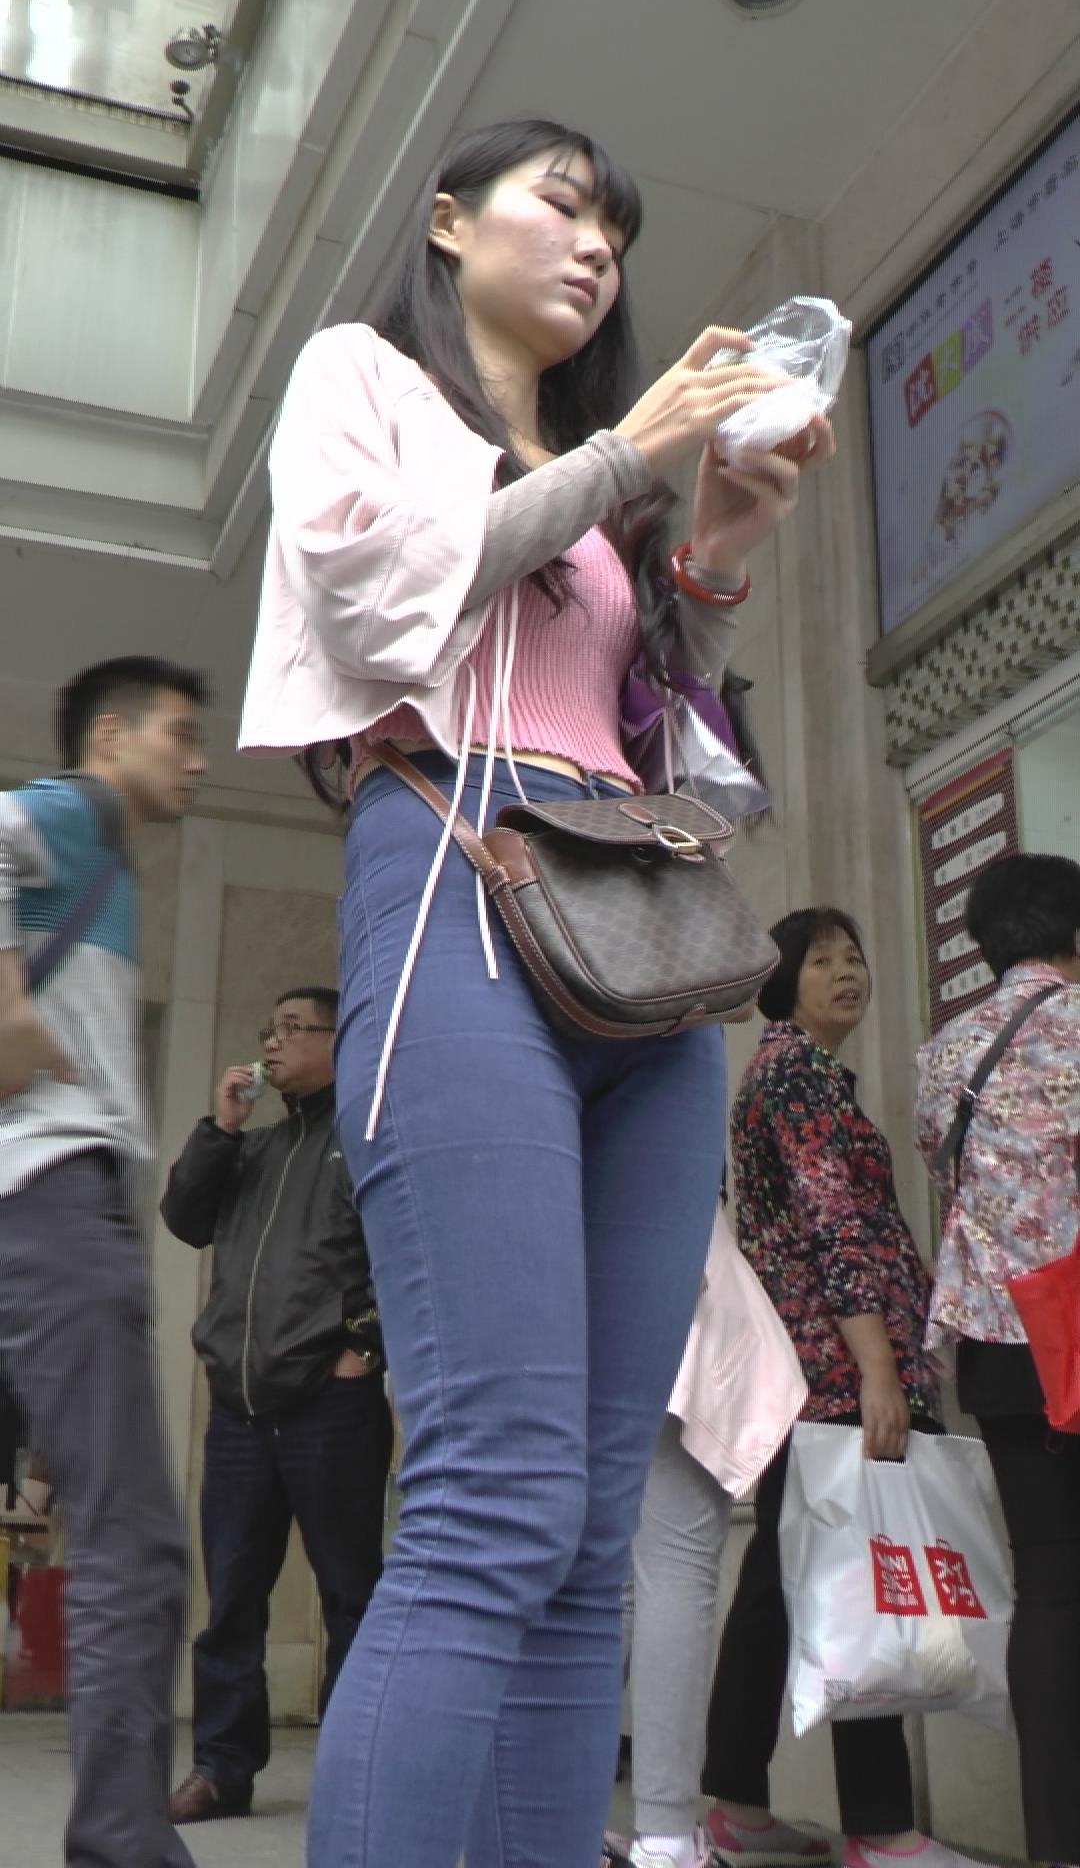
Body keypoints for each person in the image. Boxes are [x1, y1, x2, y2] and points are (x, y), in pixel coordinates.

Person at [237, 115, 834, 1868]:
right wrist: (628, 455)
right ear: (448, 220)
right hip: (455, 867)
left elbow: (659, 727)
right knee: (489, 1498)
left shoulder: (601, 467)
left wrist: (711, 546)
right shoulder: (363, 375)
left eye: (615, 232)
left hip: (638, 922)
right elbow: (371, 604)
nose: (596, 248)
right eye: (564, 206)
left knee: (583, 1537)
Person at [702, 908, 992, 1868]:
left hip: (809, 1369)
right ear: (782, 981)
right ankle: (880, 1829)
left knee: (781, 1591)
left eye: (854, 955)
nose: (846, 971)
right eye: (821, 958)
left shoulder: (792, 1073)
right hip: (836, 1371)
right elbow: (835, 1225)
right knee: (860, 1580)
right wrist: (877, 1370)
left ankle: (737, 1809)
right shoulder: (799, 1078)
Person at [0, 656, 208, 1868]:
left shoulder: (112, 867)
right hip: (52, 1197)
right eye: (179, 735)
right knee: (133, 1541)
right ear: (111, 736)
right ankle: (124, 1850)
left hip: (54, 1203)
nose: (197, 760)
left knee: (124, 1531)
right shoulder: (74, 812)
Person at [161, 985, 392, 1825]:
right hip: (240, 1409)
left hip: (331, 1405)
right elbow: (184, 1217)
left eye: (294, 1028)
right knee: (231, 1602)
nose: (273, 1042)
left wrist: (363, 1350)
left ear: (340, 1041)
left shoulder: (366, 1139)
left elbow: (403, 1254)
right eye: (270, 1029)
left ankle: (355, 1772)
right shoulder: (251, 1149)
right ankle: (222, 1770)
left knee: (351, 1595)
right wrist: (219, 1128)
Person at [915, 853, 1080, 1868]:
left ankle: (1057, 1843)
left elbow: (947, 1171)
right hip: (1078, 1329)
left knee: (1049, 1585)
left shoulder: (946, 1052)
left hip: (1001, 1344)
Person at [604, 1207, 807, 1868]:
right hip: (659, 1297)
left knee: (608, 1584)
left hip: (564, 1312)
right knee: (675, 1566)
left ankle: (563, 1819)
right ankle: (665, 1836)